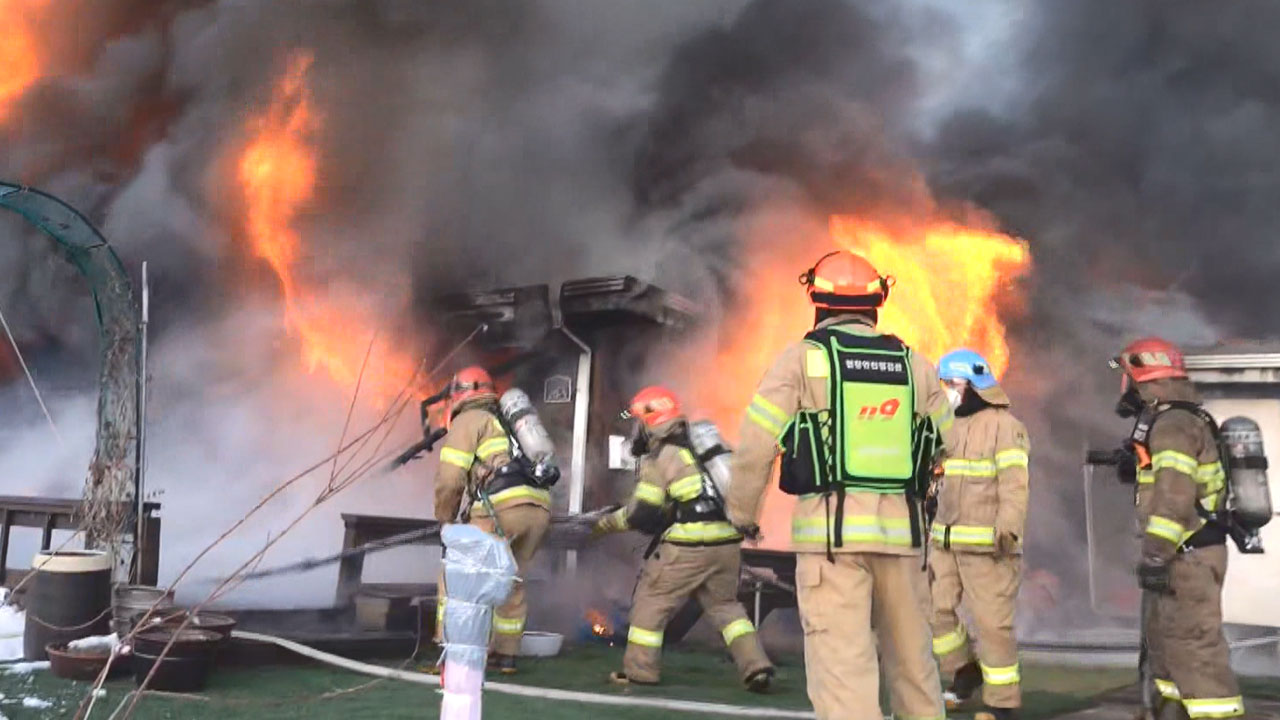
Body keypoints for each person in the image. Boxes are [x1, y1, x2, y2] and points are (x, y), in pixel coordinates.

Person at [726, 250, 953, 720]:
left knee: (844, 670)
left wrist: (742, 515)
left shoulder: (801, 361)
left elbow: (756, 443)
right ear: (876, 302)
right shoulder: (915, 364)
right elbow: (950, 446)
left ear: (818, 300)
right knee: (915, 666)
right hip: (905, 544)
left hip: (832, 546)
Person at [592, 386, 774, 691]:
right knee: (727, 607)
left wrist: (606, 523)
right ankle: (756, 666)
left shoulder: (660, 456)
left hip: (688, 547)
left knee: (652, 603)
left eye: (637, 421)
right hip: (727, 544)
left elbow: (643, 514)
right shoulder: (704, 446)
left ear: (648, 421)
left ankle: (640, 671)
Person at [1111, 338, 1244, 719]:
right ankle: (1171, 711)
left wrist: (1156, 553)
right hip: (1183, 554)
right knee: (1166, 646)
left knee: (1194, 647)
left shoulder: (1172, 425)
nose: (1125, 387)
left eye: (1128, 376)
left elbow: (1174, 496)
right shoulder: (1176, 420)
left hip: (1188, 555)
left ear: (1145, 376)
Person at [928, 348, 1030, 720]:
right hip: (944, 542)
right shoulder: (946, 426)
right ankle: (963, 669)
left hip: (989, 546)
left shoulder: (1005, 427)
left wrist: (1008, 530)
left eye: (951, 384)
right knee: (935, 611)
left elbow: (1015, 486)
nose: (947, 391)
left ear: (973, 385)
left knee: (992, 625)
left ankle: (1002, 704)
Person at [433, 366, 552, 675]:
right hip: (538, 508)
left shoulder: (468, 420)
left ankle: (452, 652)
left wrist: (445, 520)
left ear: (460, 394)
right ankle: (506, 655)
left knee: (459, 579)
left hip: (500, 508)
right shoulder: (508, 421)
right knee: (511, 579)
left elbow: (450, 478)